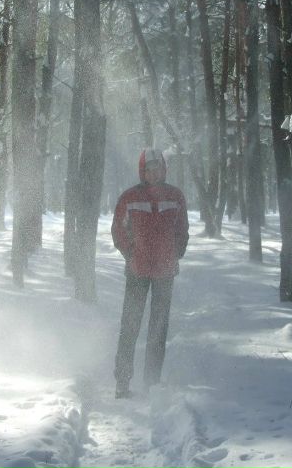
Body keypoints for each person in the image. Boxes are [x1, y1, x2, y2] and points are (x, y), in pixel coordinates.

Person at [112, 148, 189, 399]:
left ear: (164, 169)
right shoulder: (129, 197)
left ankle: (151, 384)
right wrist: (130, 253)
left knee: (158, 329)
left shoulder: (175, 196)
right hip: (137, 270)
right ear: (142, 171)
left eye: (157, 168)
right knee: (130, 326)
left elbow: (182, 229)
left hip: (165, 272)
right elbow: (118, 231)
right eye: (148, 169)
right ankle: (123, 382)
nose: (153, 173)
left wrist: (176, 253)